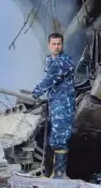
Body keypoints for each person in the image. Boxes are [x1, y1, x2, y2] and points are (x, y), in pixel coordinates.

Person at [31, 32, 76, 179]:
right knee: (53, 139)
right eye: (54, 44)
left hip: (63, 105)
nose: (56, 47)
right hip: (55, 104)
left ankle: (59, 176)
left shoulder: (61, 62)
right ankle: (49, 173)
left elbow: (49, 80)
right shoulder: (51, 60)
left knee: (60, 139)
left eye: (59, 44)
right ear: (49, 45)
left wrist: (35, 94)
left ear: (62, 45)